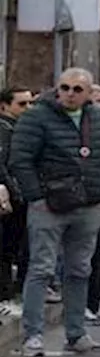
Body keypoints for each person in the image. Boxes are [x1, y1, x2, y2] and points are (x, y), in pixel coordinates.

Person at [8, 69, 100, 355]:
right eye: (65, 87)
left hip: (89, 206)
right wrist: (36, 196)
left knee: (80, 269)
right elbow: (20, 160)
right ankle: (33, 335)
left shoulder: (98, 119)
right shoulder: (36, 116)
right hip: (49, 205)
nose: (70, 93)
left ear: (88, 92)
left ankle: (76, 333)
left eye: (78, 89)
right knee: (41, 268)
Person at [0, 85, 34, 314]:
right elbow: (4, 165)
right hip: (11, 198)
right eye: (22, 104)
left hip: (19, 195)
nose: (28, 108)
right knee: (7, 248)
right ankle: (5, 295)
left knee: (17, 247)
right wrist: (14, 192)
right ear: (4, 106)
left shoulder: (19, 129)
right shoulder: (5, 129)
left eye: (30, 103)